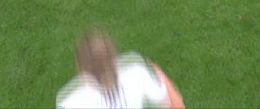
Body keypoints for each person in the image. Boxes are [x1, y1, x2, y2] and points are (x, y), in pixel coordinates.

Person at [56, 30, 185, 109]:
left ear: (80, 66)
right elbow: (177, 105)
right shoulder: (136, 73)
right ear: (115, 57)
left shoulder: (69, 101)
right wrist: (155, 70)